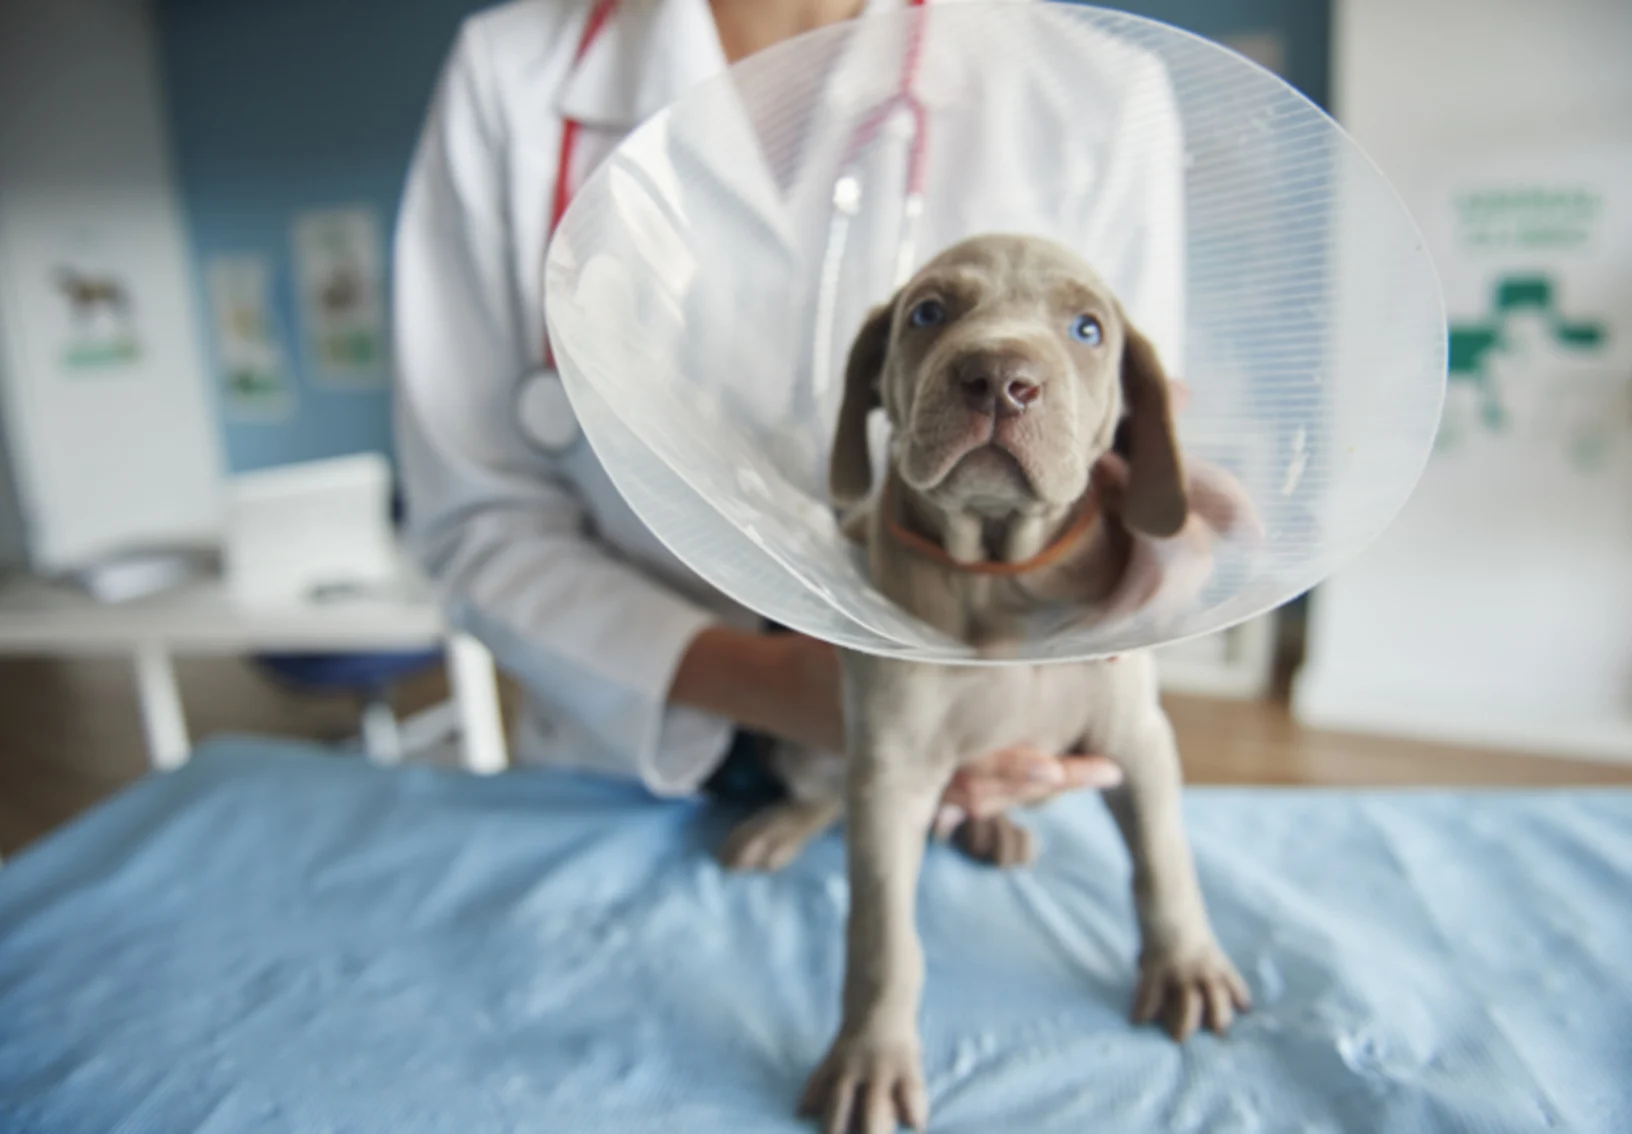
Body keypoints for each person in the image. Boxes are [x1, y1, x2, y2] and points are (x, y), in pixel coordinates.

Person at [393, 0, 1140, 827]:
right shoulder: (511, 75)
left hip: (963, 770)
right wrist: (780, 689)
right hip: (622, 768)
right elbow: (476, 519)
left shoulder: (1095, 92)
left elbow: (1131, 459)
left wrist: (1172, 549)